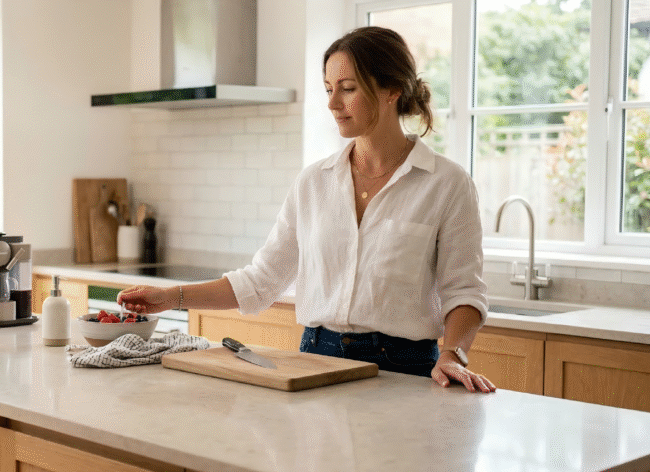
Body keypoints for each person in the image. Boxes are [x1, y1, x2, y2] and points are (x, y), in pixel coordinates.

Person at [117, 26, 495, 393]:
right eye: (329, 89)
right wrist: (171, 297)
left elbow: (464, 292)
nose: (333, 104)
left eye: (348, 89)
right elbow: (261, 280)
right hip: (316, 360)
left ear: (392, 89)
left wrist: (453, 355)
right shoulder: (314, 182)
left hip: (405, 369)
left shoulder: (447, 183)